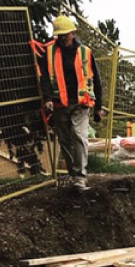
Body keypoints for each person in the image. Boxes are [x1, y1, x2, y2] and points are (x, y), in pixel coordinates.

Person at [38, 16, 103, 191]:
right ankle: (73, 175)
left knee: (79, 136)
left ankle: (80, 178)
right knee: (65, 141)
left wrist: (99, 106)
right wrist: (48, 99)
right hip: (59, 105)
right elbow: (44, 78)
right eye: (59, 35)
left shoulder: (85, 52)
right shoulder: (49, 52)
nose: (62, 38)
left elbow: (96, 79)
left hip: (81, 103)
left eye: (65, 35)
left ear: (73, 33)